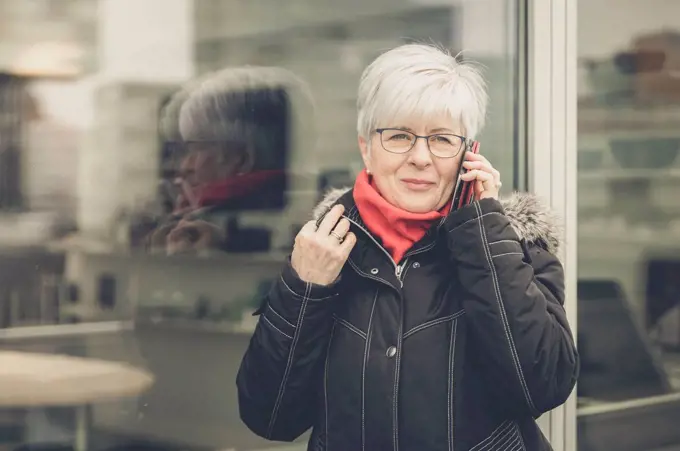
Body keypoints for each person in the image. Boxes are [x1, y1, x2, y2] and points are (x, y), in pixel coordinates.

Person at [236, 43, 578, 451]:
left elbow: (545, 384)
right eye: (399, 135)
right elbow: (269, 415)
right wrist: (305, 288)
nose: (420, 157)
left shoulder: (512, 246)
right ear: (366, 147)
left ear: (469, 153)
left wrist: (483, 233)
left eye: (442, 139)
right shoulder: (323, 248)